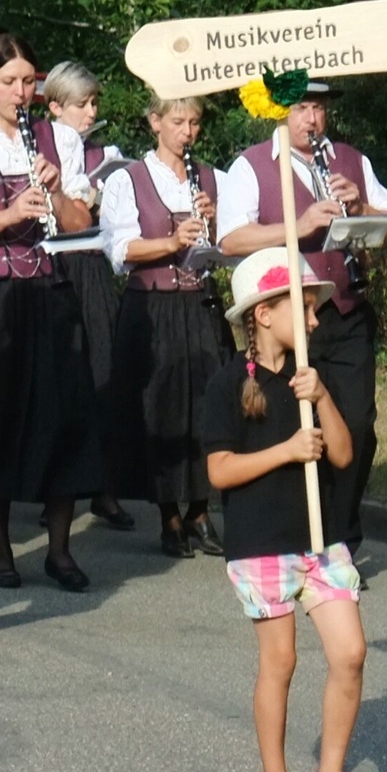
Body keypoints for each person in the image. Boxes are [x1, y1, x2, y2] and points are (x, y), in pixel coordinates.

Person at [200, 247, 378, 772]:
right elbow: (220, 470)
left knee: (350, 652)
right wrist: (285, 451)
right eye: (306, 307)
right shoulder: (230, 382)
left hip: (322, 541)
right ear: (265, 314)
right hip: (262, 542)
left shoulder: (311, 380)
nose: (318, 320)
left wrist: (321, 397)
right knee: (281, 659)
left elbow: (346, 456)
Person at [218, 82, 387, 554]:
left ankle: (343, 536)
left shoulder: (351, 161)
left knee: (356, 424)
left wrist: (361, 209)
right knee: (294, 424)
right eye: (302, 107)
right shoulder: (252, 164)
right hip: (285, 315)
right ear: (282, 112)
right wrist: (296, 228)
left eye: (318, 108)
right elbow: (231, 240)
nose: (312, 119)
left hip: (344, 309)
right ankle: (299, 535)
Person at [0, 34, 102, 591]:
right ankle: (0, 552)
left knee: (65, 415)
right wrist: (9, 212)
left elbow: (75, 224)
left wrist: (58, 190)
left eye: (28, 82)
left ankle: (61, 551)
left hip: (49, 287)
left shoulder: (54, 138)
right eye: (8, 82)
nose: (21, 93)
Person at [98, 94, 231, 558]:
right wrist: (172, 240)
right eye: (178, 121)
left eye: (194, 122)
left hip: (202, 303)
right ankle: (168, 516)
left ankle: (200, 510)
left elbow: (234, 245)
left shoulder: (214, 178)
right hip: (152, 308)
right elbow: (120, 250)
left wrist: (215, 227)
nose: (188, 132)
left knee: (208, 404)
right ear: (155, 122)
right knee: (160, 409)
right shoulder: (129, 179)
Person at [42, 61, 133, 531]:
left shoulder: (98, 151)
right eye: (81, 104)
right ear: (55, 107)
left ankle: (104, 486)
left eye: (94, 103)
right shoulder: (42, 142)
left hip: (91, 264)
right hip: (56, 263)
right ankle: (55, 487)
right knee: (60, 376)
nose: (90, 111)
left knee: (102, 371)